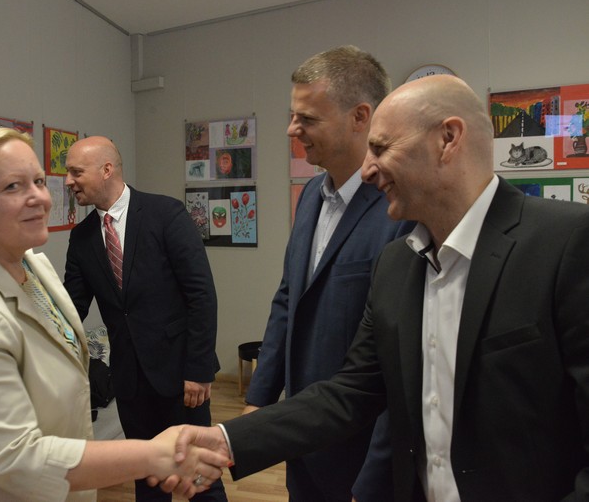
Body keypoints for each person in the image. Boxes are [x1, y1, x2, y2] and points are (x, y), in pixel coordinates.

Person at [172, 75, 589, 500]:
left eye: (382, 148)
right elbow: (352, 392)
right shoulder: (397, 265)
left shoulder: (568, 244)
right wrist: (226, 440)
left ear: (448, 139)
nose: (368, 170)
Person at [0, 124, 228, 501]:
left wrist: (198, 368)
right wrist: (153, 455)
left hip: (172, 369)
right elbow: (13, 456)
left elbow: (200, 294)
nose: (41, 197)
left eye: (39, 181)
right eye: (13, 186)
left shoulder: (28, 262)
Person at [244, 45, 412, 501]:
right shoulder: (311, 196)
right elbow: (289, 299)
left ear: (360, 117)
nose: (291, 129)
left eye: (307, 118)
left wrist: (374, 478)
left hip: (358, 452)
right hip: (302, 440)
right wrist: (260, 401)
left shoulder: (400, 208)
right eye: (292, 116)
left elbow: (400, 361)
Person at [64, 136, 227, 502]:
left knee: (199, 477)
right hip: (129, 381)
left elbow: (201, 295)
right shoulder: (82, 238)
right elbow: (71, 307)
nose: (69, 181)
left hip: (180, 375)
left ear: (106, 169)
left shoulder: (165, 214)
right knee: (148, 478)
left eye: (76, 172)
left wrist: (199, 370)